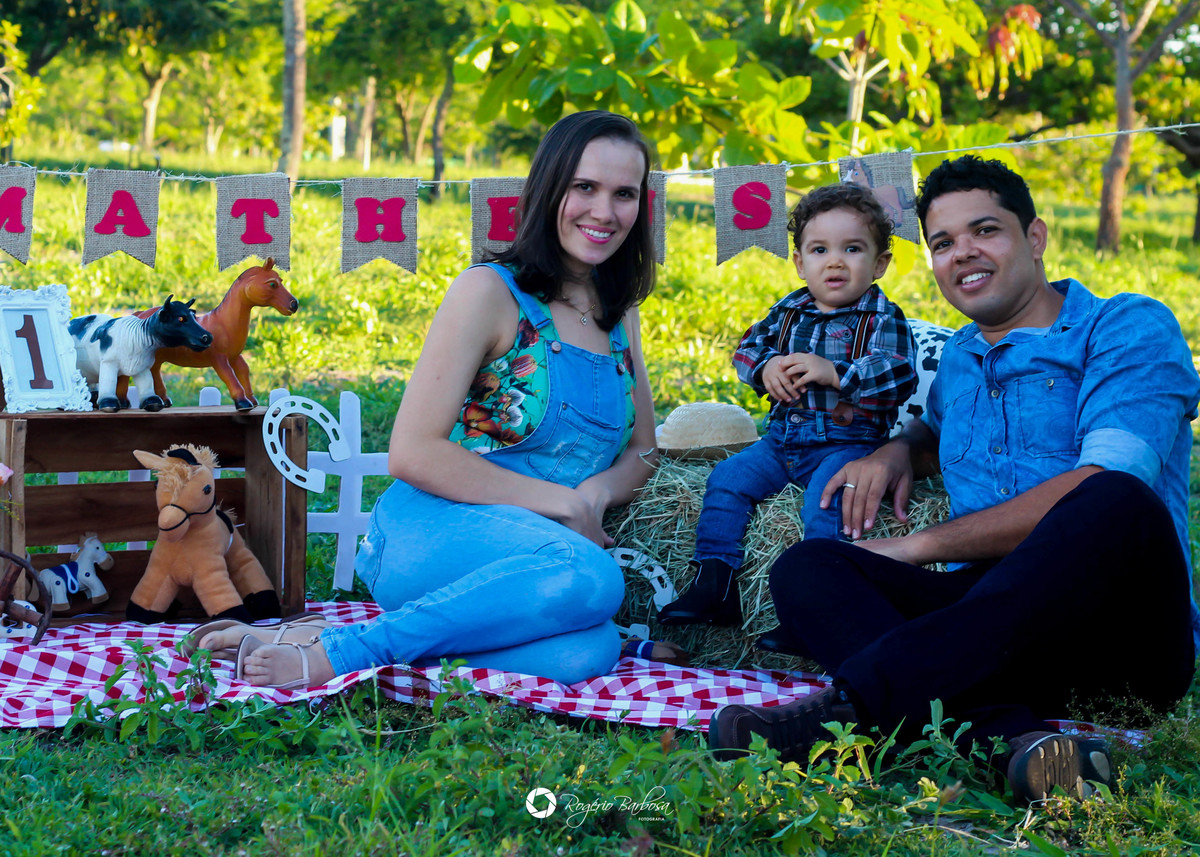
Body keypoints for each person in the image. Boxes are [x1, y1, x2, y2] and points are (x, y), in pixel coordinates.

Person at [706, 155, 1200, 805]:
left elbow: (1103, 482)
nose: (963, 251)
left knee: (1114, 498)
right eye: (943, 241)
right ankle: (1017, 746)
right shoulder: (961, 357)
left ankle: (846, 712)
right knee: (810, 566)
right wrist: (898, 452)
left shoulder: (1124, 326)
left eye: (985, 230)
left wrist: (916, 545)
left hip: (1119, 637)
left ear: (1036, 237)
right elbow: (938, 431)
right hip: (996, 635)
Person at [192, 110, 660, 687]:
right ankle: (338, 655)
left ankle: (316, 638)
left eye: (624, 194)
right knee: (593, 579)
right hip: (434, 529)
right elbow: (412, 452)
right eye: (584, 187)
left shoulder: (621, 315)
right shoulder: (489, 292)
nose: (604, 212)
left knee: (588, 651)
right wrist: (560, 504)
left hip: (534, 556)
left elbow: (643, 451)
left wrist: (593, 494)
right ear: (549, 189)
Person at [657, 184, 917, 631]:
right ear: (800, 262)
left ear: (879, 264)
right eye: (819, 250)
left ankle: (816, 606)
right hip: (781, 442)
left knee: (825, 503)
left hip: (846, 445)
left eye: (852, 249)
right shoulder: (788, 310)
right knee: (727, 480)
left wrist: (838, 373)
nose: (835, 261)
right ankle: (715, 582)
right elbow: (745, 349)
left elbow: (898, 374)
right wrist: (766, 365)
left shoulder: (882, 316)